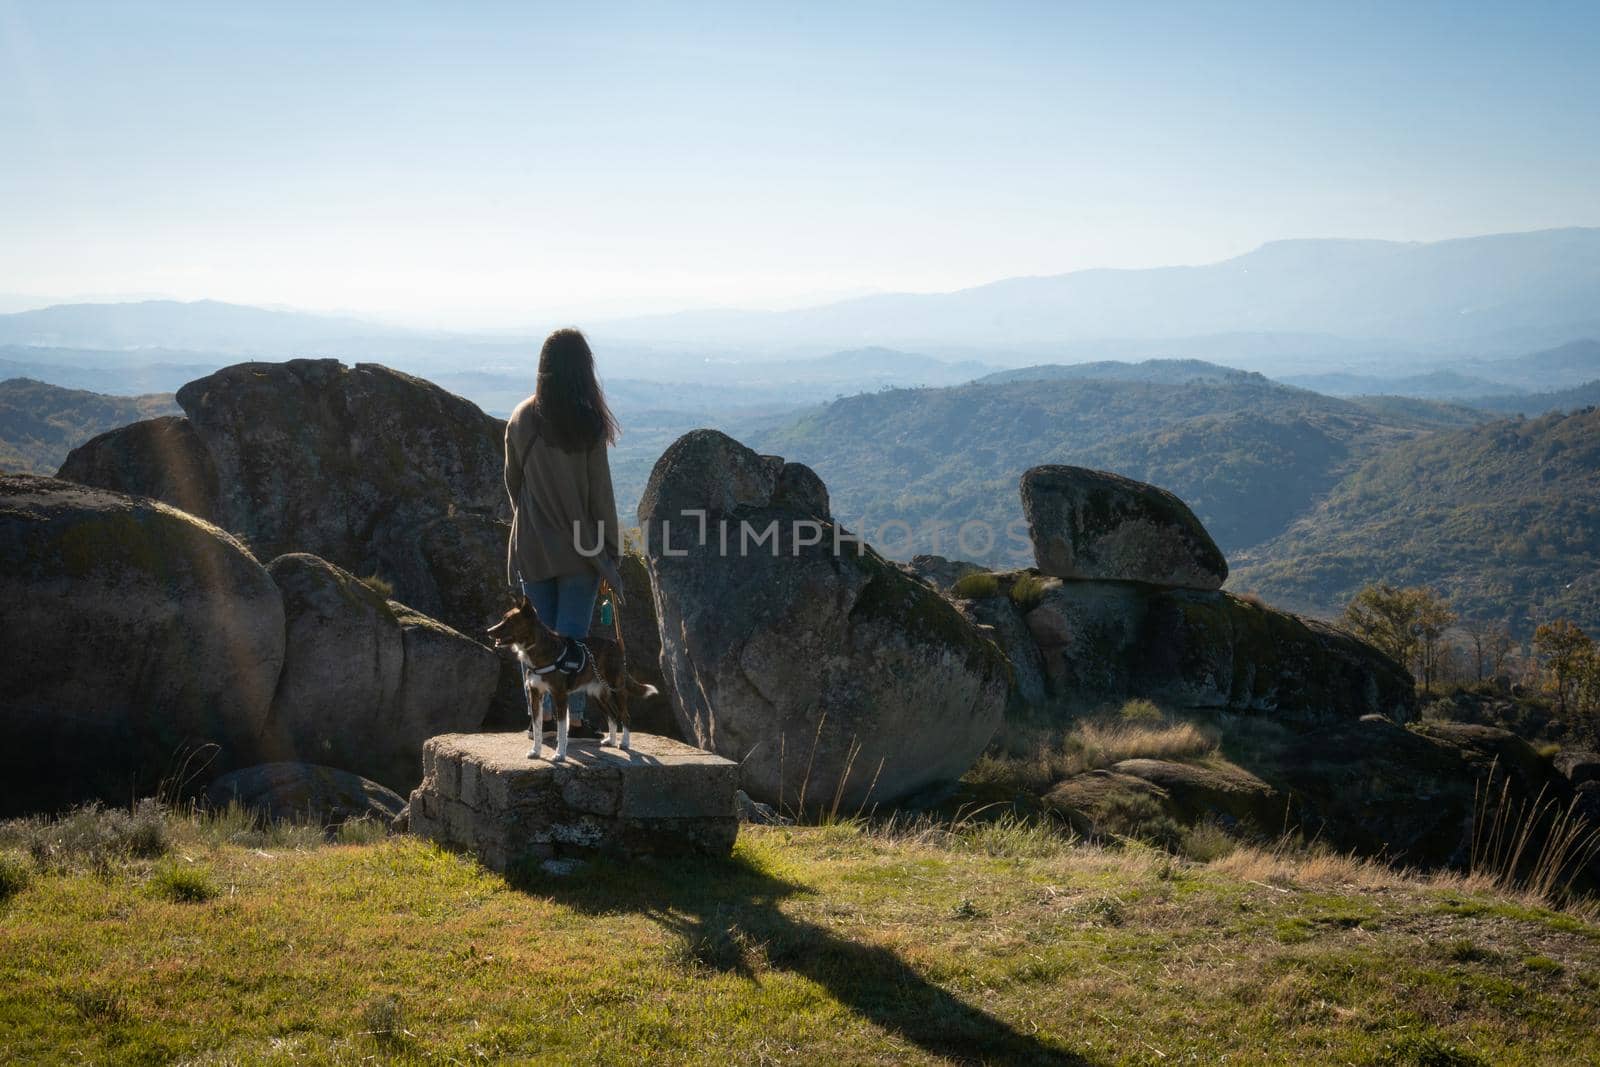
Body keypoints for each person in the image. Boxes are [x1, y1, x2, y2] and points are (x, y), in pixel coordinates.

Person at [504, 327, 624, 734]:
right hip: (580, 549)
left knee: (533, 641)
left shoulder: (521, 419)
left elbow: (513, 483)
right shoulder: (585, 425)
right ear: (582, 371)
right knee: (572, 639)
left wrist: (528, 523)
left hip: (533, 545)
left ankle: (542, 722)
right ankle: (569, 722)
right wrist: (610, 552)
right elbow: (600, 499)